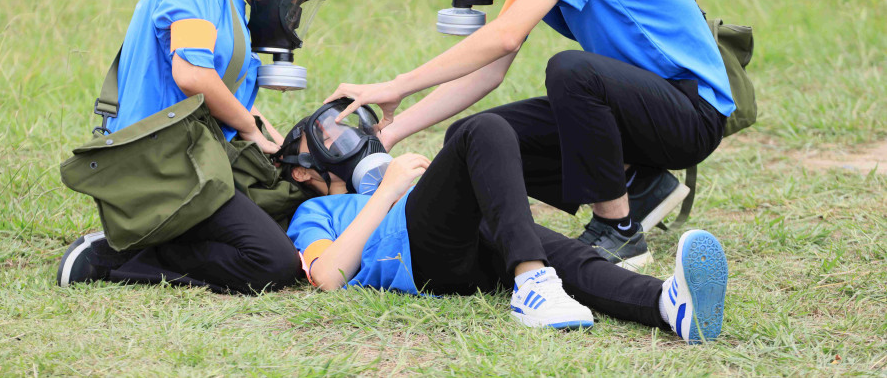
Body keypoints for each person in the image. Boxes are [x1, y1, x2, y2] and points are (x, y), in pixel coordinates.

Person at [326, 0, 735, 268]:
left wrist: (397, 85)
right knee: (473, 138)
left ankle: (620, 231)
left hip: (693, 113)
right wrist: (391, 132)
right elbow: (489, 70)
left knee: (572, 72)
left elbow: (504, 36)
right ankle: (638, 184)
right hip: (641, 111)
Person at [57, 0, 333, 294]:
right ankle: (114, 257)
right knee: (273, 262)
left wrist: (272, 141)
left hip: (194, 154)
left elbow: (221, 91)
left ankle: (163, 237)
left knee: (287, 207)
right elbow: (191, 74)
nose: (291, 6)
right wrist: (249, 129)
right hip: (156, 160)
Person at [282, 106, 729, 342]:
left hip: (471, 249)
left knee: (563, 256)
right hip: (416, 256)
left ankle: (667, 305)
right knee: (481, 129)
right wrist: (385, 193)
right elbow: (326, 277)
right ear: (302, 170)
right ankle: (532, 284)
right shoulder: (315, 213)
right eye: (326, 137)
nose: (344, 137)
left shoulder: (393, 185)